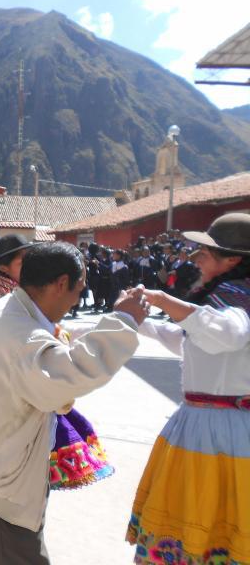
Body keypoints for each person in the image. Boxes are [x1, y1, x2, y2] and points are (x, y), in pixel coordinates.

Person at [0, 242, 148, 564]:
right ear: (61, 283)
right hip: (3, 479)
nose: (78, 298)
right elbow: (72, 374)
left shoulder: (2, 310)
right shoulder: (23, 336)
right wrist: (123, 321)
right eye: (79, 289)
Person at [127, 213, 250, 565]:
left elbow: (227, 335)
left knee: (202, 510)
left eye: (205, 251)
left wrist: (162, 300)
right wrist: (143, 321)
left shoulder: (236, 296)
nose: (195, 257)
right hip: (211, 424)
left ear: (232, 260)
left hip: (217, 431)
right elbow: (194, 343)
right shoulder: (228, 296)